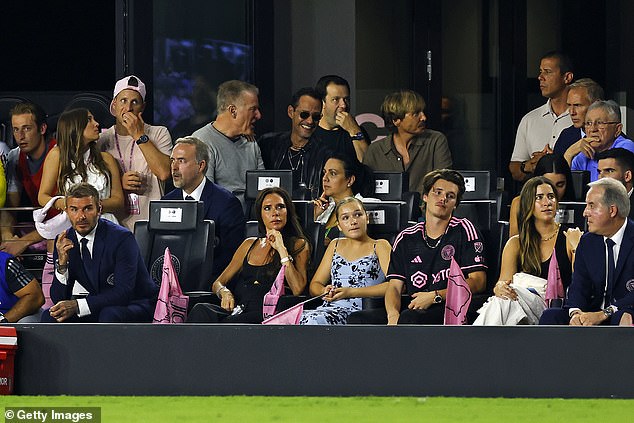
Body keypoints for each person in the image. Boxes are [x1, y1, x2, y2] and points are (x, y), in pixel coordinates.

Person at [348, 169, 487, 325]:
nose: (443, 199)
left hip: (450, 306)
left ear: (455, 205)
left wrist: (435, 296)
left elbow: (478, 282)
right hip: (414, 306)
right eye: (438, 192)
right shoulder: (406, 237)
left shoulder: (464, 229)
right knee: (357, 319)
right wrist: (392, 316)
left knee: (410, 318)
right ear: (425, 196)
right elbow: (394, 287)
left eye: (450, 196)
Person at [187, 187, 310, 323]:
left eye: (280, 207)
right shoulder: (249, 244)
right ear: (260, 215)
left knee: (229, 325)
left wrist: (281, 249)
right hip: (238, 309)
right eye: (267, 208)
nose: (275, 213)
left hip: (267, 314)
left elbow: (298, 289)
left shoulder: (298, 245)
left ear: (288, 212)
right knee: (200, 310)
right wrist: (224, 292)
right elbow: (218, 282)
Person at [41, 183, 158, 323]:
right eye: (74, 209)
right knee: (50, 317)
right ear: (66, 211)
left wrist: (78, 305)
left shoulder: (121, 238)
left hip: (136, 303)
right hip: (100, 305)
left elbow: (124, 292)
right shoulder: (64, 241)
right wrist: (62, 265)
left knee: (109, 315)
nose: (81, 216)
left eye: (88, 208)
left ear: (99, 210)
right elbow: (58, 299)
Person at [474, 177, 580, 325]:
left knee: (506, 302)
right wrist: (499, 288)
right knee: (504, 301)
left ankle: (474, 342)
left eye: (551, 197)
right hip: (518, 308)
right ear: (528, 203)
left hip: (552, 308)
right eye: (539, 198)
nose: (547, 202)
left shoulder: (569, 237)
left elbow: (580, 283)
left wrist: (577, 248)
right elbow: (503, 284)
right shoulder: (515, 243)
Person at [540, 178, 634, 326]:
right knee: (551, 316)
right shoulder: (587, 242)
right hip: (592, 312)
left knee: (625, 318)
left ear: (612, 210)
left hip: (623, 311)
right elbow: (579, 286)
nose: (585, 213)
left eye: (591, 206)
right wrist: (576, 313)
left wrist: (606, 313)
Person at [162, 136, 246, 282]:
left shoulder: (227, 204)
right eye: (172, 160)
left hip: (209, 284)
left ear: (200, 166)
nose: (174, 167)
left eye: (181, 161)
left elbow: (232, 258)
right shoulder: (166, 202)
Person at [300, 197, 391, 325]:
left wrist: (351, 292)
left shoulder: (380, 245)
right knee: (287, 321)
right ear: (339, 226)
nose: (353, 221)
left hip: (360, 311)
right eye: (345, 218)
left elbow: (395, 286)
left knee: (312, 321)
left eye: (358, 215)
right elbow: (315, 284)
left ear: (367, 218)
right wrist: (324, 291)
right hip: (329, 308)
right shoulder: (335, 245)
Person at [99, 75, 173, 231]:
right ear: (114, 105)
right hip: (112, 227)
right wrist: (119, 184)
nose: (129, 108)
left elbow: (164, 173)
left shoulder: (159, 133)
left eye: (135, 102)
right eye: (123, 101)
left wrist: (138, 135)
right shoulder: (101, 140)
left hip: (150, 224)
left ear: (143, 107)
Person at [39, 108, 124, 224]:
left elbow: (118, 200)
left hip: (105, 224)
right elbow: (43, 197)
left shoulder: (106, 159)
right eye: (89, 120)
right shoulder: (57, 155)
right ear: (75, 126)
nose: (96, 124)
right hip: (73, 224)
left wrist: (91, 206)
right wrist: (67, 204)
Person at [191, 80, 264, 209]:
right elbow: (206, 197)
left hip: (254, 223)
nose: (258, 115)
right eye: (253, 109)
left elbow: (264, 191)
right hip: (223, 224)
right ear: (233, 110)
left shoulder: (251, 143)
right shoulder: (201, 141)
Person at [363, 89, 452, 194]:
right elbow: (367, 191)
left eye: (423, 112)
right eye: (416, 114)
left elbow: (445, 182)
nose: (423, 117)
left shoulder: (436, 141)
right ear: (396, 120)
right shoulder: (375, 151)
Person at [1, 102, 57, 257]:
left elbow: (67, 216)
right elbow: (11, 206)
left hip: (64, 229)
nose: (20, 136)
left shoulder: (60, 155)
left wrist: (23, 241)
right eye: (16, 130)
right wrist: (8, 238)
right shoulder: (14, 157)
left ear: (42, 129)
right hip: (40, 228)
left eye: (27, 128)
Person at [509, 51, 574, 182]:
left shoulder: (580, 119)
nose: (540, 77)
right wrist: (529, 165)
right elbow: (514, 168)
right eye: (540, 71)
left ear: (567, 77)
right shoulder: (530, 119)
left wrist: (552, 162)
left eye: (547, 72)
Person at [258, 87, 329, 199]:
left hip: (310, 214)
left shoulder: (325, 153)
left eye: (316, 117)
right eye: (304, 115)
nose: (310, 121)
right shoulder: (268, 144)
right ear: (291, 112)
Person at [313, 152, 375, 247]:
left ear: (350, 180)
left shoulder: (367, 206)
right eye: (324, 173)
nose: (325, 179)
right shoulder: (323, 209)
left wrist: (334, 245)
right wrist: (313, 216)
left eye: (333, 173)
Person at [509, 154, 575, 237]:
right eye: (548, 185)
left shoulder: (576, 206)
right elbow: (514, 242)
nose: (554, 192)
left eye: (560, 185)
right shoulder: (519, 203)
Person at [570, 100, 634, 181]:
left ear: (617, 130)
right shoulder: (582, 157)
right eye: (589, 123)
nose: (593, 129)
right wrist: (569, 153)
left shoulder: (626, 148)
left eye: (600, 123)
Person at [313, 75, 368, 162]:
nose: (343, 105)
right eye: (336, 99)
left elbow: (368, 166)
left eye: (346, 99)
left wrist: (354, 131)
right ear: (322, 103)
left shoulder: (357, 132)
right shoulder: (310, 134)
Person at [557, 78, 604, 161]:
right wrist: (570, 153)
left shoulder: (613, 137)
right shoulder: (566, 136)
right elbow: (556, 172)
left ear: (596, 105)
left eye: (577, 105)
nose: (571, 112)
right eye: (569, 105)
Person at [0, 250, 45, 323]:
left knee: (26, 322)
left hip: (16, 317)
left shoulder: (5, 263)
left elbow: (36, 297)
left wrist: (3, 321)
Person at [596, 148, 634, 219]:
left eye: (609, 171)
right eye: (599, 172)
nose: (601, 177)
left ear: (627, 176)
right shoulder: (595, 203)